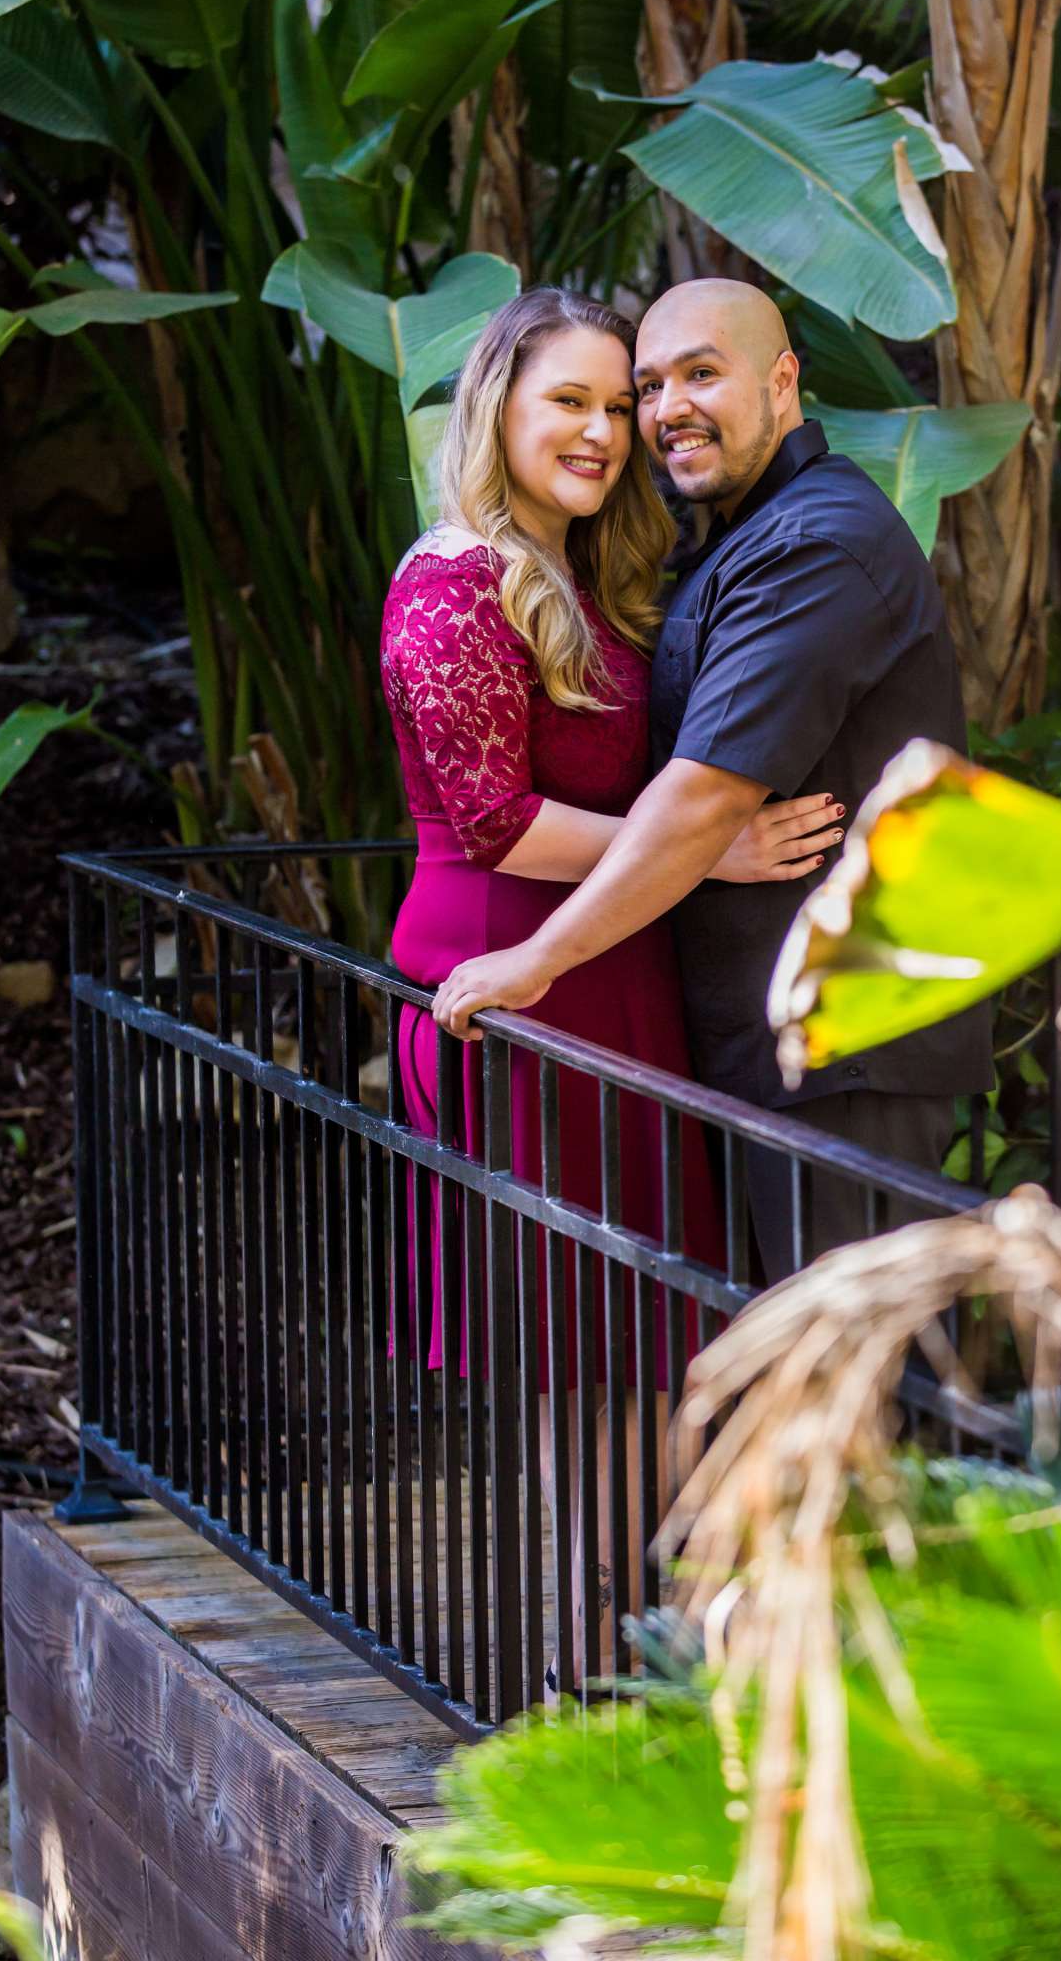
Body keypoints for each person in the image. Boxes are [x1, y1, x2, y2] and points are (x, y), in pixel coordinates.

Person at [381, 284, 844, 1648]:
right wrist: (710, 851)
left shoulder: (589, 576)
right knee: (581, 1357)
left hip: (610, 978)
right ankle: (607, 1657)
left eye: (614, 404)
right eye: (566, 402)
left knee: (639, 1345)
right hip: (514, 982)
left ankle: (644, 1651)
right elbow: (495, 818)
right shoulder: (456, 577)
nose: (601, 431)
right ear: (499, 412)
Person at [433, 278, 993, 1281]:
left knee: (853, 1387)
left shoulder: (816, 542)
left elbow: (703, 797)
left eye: (701, 374)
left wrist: (537, 958)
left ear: (783, 381)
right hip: (766, 1043)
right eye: (645, 388)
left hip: (838, 1051)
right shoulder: (733, 539)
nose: (662, 411)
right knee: (786, 1378)